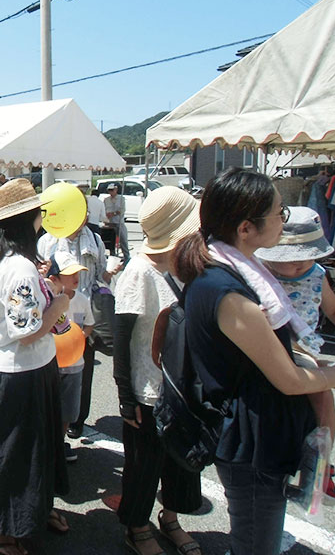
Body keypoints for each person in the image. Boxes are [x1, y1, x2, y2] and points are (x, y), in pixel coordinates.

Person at [174, 167, 335, 555]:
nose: (284, 221)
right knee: (255, 545)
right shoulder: (230, 291)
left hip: (255, 436)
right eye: (279, 213)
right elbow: (289, 380)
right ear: (247, 228)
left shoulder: (232, 272)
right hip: (251, 445)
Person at [0, 178, 70, 555]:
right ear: (26, 220)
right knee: (13, 454)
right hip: (21, 371)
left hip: (25, 368)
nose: (42, 221)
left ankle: (31, 512)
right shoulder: (18, 268)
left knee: (29, 449)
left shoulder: (3, 260)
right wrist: (59, 305)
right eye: (39, 214)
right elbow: (28, 332)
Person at [113, 186, 203, 555]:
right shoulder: (138, 272)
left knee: (182, 462)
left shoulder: (190, 265)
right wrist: (125, 396)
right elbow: (121, 339)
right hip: (147, 390)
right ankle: (137, 527)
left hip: (184, 386)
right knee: (144, 463)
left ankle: (170, 519)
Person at [255, 206, 335, 504]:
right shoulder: (259, 273)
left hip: (304, 349)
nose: (301, 264)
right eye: (292, 259)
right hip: (270, 348)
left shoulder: (317, 275)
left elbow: (332, 309)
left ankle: (320, 467)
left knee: (324, 397)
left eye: (308, 256)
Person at [38, 214, 122, 440]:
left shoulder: (94, 238)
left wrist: (110, 272)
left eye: (83, 210)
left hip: (84, 311)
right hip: (55, 314)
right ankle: (53, 426)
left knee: (82, 371)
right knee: (52, 374)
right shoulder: (48, 240)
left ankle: (77, 420)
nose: (82, 217)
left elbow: (101, 274)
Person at [45, 251, 93, 464]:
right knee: (48, 404)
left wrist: (81, 336)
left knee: (69, 408)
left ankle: (59, 441)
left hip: (75, 363)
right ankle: (46, 442)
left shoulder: (83, 299)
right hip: (51, 362)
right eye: (70, 274)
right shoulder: (49, 300)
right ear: (55, 278)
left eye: (78, 273)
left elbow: (89, 323)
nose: (76, 277)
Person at [104, 183, 129, 261]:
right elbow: (104, 210)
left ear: (116, 190)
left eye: (112, 190)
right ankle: (113, 255)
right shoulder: (106, 200)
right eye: (109, 190)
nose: (111, 192)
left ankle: (126, 256)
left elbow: (122, 210)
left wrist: (114, 213)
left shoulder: (121, 199)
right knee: (111, 241)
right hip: (110, 223)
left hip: (119, 222)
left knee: (123, 240)